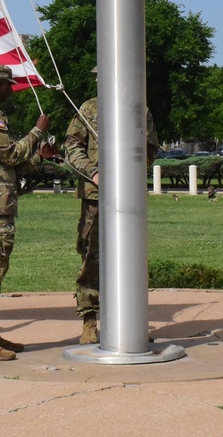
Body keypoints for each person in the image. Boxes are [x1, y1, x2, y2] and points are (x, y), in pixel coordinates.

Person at [0, 64, 55, 361]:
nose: (12, 90)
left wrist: (39, 158)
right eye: (10, 85)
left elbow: (9, 166)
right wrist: (37, 132)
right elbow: (11, 154)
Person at [62, 68, 158, 344]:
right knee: (92, 258)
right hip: (95, 196)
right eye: (97, 75)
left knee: (130, 259)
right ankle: (89, 321)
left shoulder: (138, 108)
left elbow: (149, 147)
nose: (98, 79)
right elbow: (72, 147)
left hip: (128, 197)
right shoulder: (88, 109)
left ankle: (131, 321)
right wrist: (93, 172)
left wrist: (130, 173)